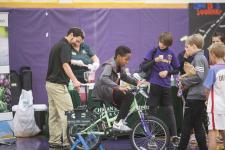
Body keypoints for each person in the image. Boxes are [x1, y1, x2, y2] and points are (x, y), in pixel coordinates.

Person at [46, 28, 81, 148]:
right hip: (58, 86)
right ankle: (68, 142)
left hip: (50, 84)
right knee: (68, 113)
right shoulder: (65, 46)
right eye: (77, 40)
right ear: (71, 35)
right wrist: (75, 81)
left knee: (54, 115)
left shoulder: (57, 45)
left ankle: (54, 141)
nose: (78, 44)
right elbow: (65, 65)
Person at [92, 45, 140, 132]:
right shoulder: (109, 65)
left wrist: (136, 82)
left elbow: (124, 77)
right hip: (102, 91)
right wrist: (118, 87)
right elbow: (103, 78)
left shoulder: (120, 66)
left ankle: (120, 121)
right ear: (118, 57)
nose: (127, 62)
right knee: (128, 95)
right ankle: (118, 123)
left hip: (110, 90)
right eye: (126, 59)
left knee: (129, 97)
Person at [144, 32, 180, 144]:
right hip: (154, 85)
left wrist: (167, 72)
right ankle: (150, 138)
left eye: (164, 44)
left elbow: (177, 69)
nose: (161, 45)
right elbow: (143, 67)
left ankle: (174, 136)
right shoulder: (153, 51)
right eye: (160, 42)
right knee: (152, 111)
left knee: (170, 111)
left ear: (168, 44)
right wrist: (155, 60)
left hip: (166, 87)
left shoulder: (171, 53)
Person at [178, 34, 208, 150]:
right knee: (197, 126)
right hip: (198, 97)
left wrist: (185, 80)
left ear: (194, 46)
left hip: (195, 97)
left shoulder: (199, 58)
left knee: (186, 127)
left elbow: (199, 77)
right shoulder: (201, 57)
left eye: (187, 47)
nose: (186, 49)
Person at [203, 43, 225, 150]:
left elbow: (206, 89)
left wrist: (207, 100)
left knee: (212, 133)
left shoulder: (213, 69)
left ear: (213, 55)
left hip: (215, 108)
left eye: (210, 55)